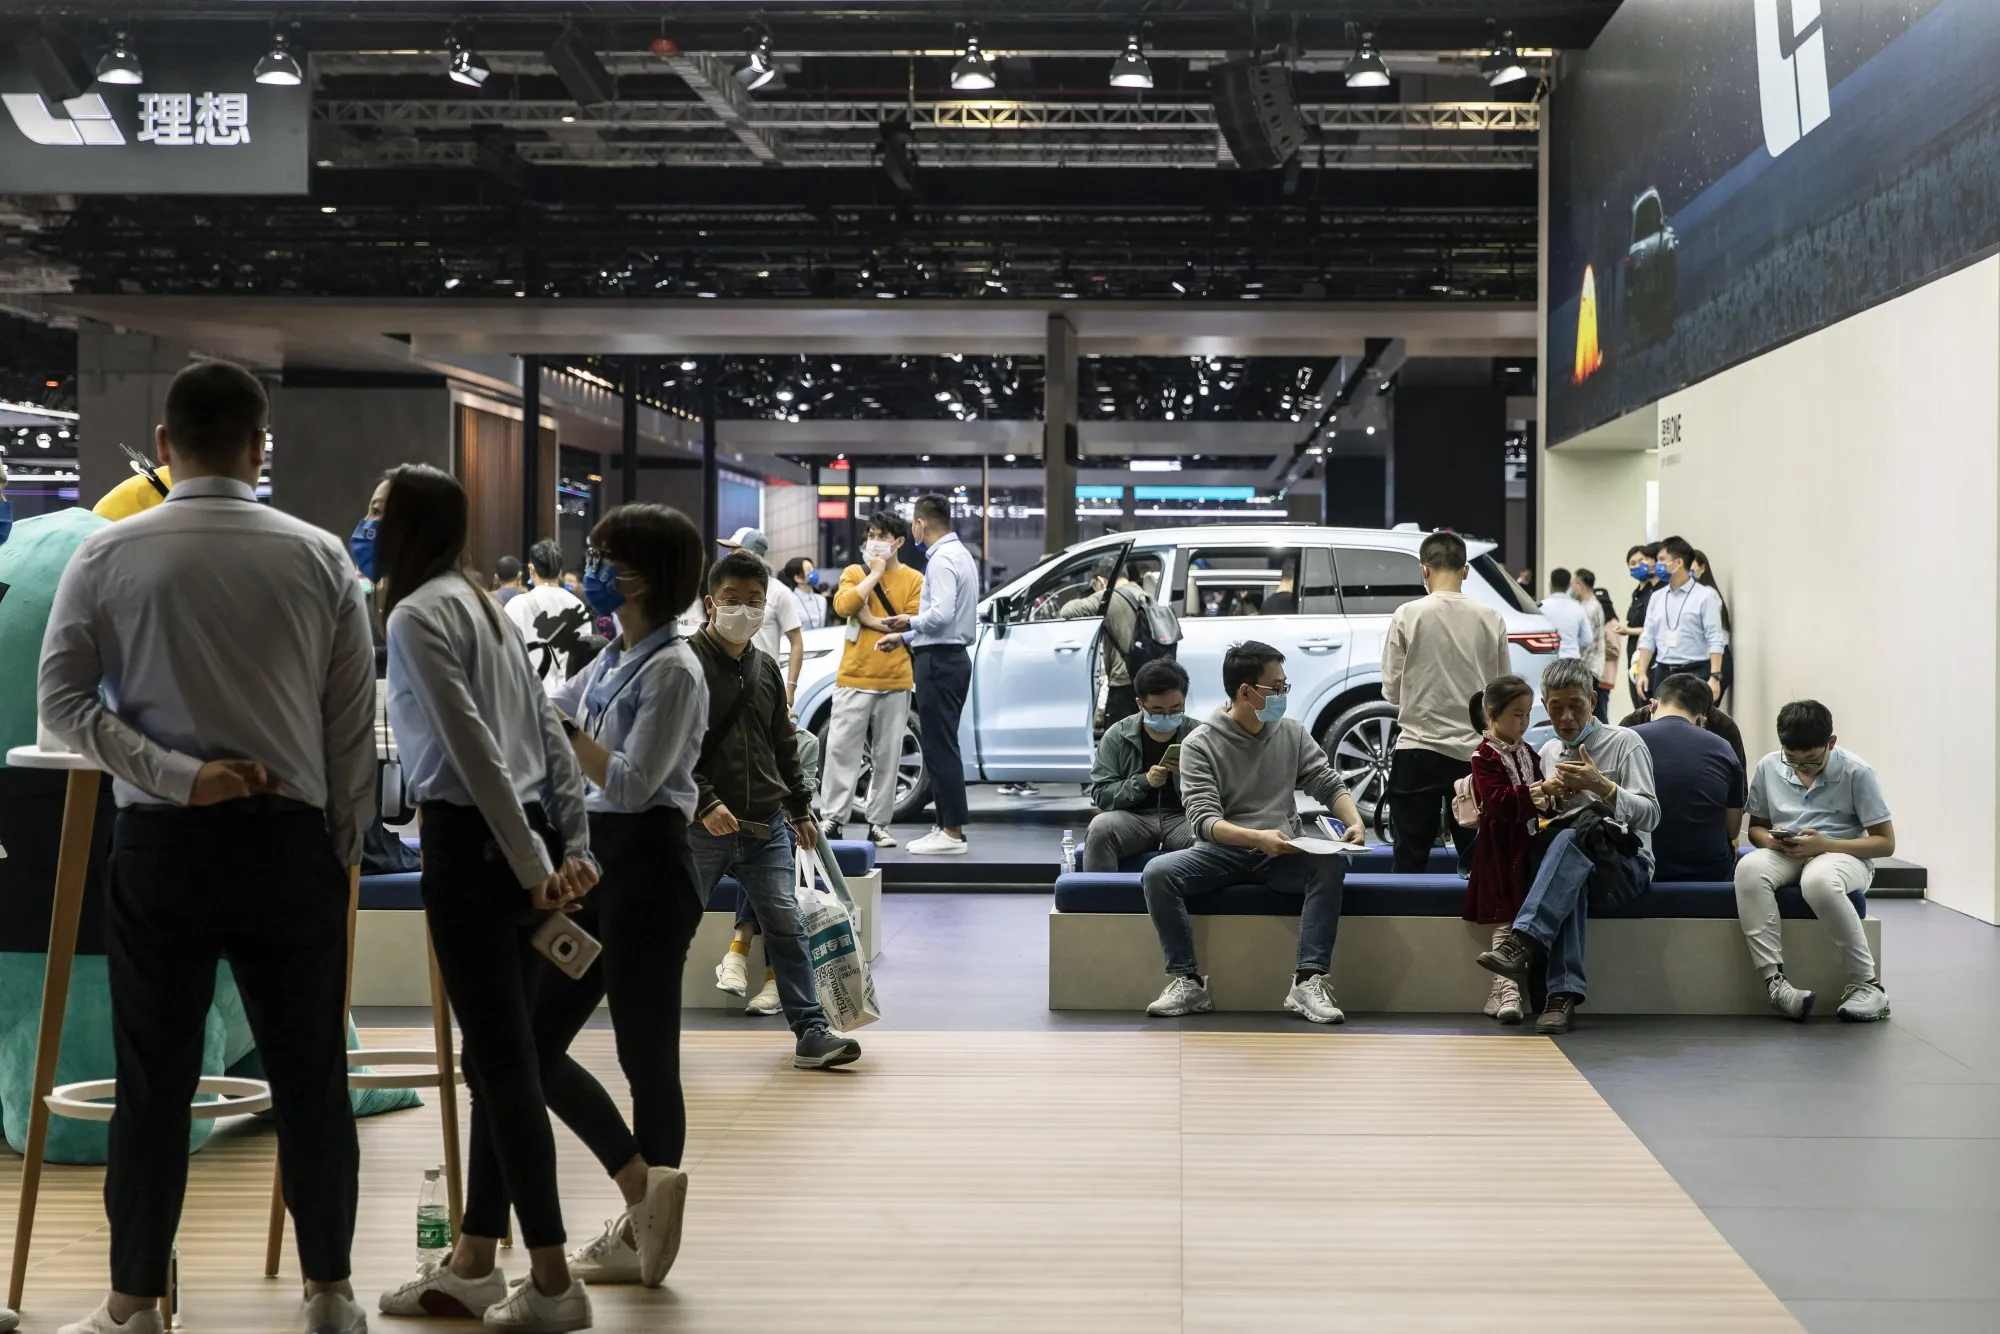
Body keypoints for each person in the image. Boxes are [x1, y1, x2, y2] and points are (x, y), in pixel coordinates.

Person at [38, 362, 375, 1334]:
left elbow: (61, 703)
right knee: (311, 1076)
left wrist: (179, 775)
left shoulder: (106, 555)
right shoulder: (320, 556)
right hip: (291, 845)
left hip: (161, 847)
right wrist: (341, 847)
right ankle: (329, 1296)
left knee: (154, 1082)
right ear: (259, 445)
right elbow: (350, 728)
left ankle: (133, 1302)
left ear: (162, 442)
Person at [375, 464, 600, 1330]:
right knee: (499, 1059)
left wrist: (533, 858)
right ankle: (474, 1257)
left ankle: (551, 1281)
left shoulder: (415, 613)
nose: (369, 525)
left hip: (476, 847)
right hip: (519, 835)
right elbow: (546, 730)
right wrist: (568, 844)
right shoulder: (484, 605)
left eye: (379, 513)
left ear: (407, 526)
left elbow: (472, 749)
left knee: (502, 1066)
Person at [691, 549, 862, 1069]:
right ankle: (649, 1032)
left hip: (766, 825)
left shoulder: (764, 666)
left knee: (787, 925)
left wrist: (800, 809)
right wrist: (706, 801)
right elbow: (669, 750)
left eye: (754, 601)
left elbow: (783, 746)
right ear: (710, 603)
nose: (744, 609)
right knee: (673, 927)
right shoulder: (684, 665)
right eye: (732, 599)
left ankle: (811, 1031)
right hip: (700, 828)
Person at [1139, 641, 1367, 1023]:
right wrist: (1257, 838)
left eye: (1284, 686)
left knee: (1329, 865)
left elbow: (1326, 782)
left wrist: (1354, 821)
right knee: (1157, 873)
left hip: (1283, 851)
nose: (1282, 694)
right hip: (1221, 851)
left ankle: (1308, 981)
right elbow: (1204, 821)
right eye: (1276, 688)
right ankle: (1186, 981)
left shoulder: (1291, 733)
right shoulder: (1199, 744)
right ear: (1245, 691)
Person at [1475, 658, 1660, 1035]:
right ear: (1545, 706)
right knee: (1568, 854)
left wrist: (1601, 786)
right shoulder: (1547, 753)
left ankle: (1522, 942)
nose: (1566, 717)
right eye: (1556, 707)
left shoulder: (1625, 743)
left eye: (1576, 705)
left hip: (1626, 867)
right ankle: (1560, 998)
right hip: (1575, 869)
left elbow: (1651, 816)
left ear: (1592, 701)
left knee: (1571, 841)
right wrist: (1551, 805)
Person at [1736, 700, 1894, 1022]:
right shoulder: (1769, 766)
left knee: (1818, 881)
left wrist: (1826, 845)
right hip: (1787, 852)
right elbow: (1756, 828)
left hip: (1843, 855)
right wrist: (1771, 841)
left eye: (1810, 760)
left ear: (1830, 743)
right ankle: (1775, 985)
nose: (1801, 767)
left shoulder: (1857, 772)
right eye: (1792, 759)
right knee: (1748, 868)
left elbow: (1885, 843)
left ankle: (1869, 986)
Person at [1380, 530, 1510, 874]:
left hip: (1417, 750)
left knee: (1409, 856)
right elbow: (1501, 690)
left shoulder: (1407, 614)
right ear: (1465, 571)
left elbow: (1391, 691)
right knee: (1477, 861)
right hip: (1474, 754)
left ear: (1424, 570)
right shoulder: (1491, 616)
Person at [875, 495, 977, 856]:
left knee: (940, 746)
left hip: (940, 661)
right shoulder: (960, 555)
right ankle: (947, 826)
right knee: (941, 744)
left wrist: (908, 621)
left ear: (920, 524)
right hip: (949, 657)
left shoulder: (942, 560)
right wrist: (904, 637)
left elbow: (941, 615)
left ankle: (951, 832)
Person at [818, 512, 922, 847]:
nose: (873, 542)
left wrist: (870, 619)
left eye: (881, 536)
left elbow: (910, 622)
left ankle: (879, 823)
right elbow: (844, 605)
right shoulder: (855, 572)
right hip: (854, 677)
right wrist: (874, 574)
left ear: (898, 542)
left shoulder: (914, 579)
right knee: (840, 751)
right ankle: (833, 819)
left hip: (895, 679)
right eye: (871, 535)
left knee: (887, 756)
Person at [1462, 676, 1546, 1026]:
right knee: (1504, 916)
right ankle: (1507, 989)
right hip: (1499, 848)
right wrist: (1538, 793)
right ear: (1493, 714)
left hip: (1525, 845)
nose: (1524, 722)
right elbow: (1498, 802)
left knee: (1517, 914)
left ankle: (1500, 992)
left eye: (1527, 714)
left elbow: (1539, 790)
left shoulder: (1526, 752)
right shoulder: (1484, 756)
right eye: (1517, 714)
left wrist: (1552, 795)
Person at [1083, 659, 1196, 872]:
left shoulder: (1199, 734)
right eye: (1158, 711)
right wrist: (1144, 782)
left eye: (1175, 709)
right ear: (1140, 704)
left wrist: (1190, 776)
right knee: (1100, 828)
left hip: (1184, 818)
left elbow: (1225, 791)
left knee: (1212, 835)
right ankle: (1101, 893)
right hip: (1133, 819)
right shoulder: (1118, 735)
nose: (1167, 716)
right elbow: (1101, 794)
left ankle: (1196, 894)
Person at [1631, 674, 1744, 883]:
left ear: (1652, 705)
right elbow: (1733, 829)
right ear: (1702, 720)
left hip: (1639, 867)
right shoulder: (1723, 746)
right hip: (1710, 869)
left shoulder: (1626, 738)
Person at [1631, 535, 1726, 705]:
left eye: (1662, 560)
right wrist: (1642, 672)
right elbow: (1648, 637)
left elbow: (1715, 637)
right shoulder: (1657, 597)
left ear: (1678, 563)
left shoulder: (1704, 596)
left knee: (1695, 718)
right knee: (1661, 718)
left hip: (1695, 671)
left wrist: (1715, 676)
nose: (1657, 565)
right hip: (1663, 671)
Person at [717, 527, 805, 707]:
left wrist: (790, 688)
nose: (728, 556)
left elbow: (796, 641)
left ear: (749, 555)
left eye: (734, 550)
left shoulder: (778, 592)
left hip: (762, 685)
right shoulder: (726, 589)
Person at [1060, 556, 1144, 726]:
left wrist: (1098, 594)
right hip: (1143, 679)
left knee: (1117, 737)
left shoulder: (1108, 597)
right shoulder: (1141, 592)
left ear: (1100, 581)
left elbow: (1066, 610)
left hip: (1122, 682)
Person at [506, 537, 596, 694]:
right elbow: (582, 656)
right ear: (560, 570)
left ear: (531, 568)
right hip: (567, 696)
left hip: (528, 693)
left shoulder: (516, 605)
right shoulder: (577, 605)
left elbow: (507, 654)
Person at [1618, 697, 1747, 771]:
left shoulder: (1723, 727)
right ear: (1653, 706)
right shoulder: (1631, 726)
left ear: (1703, 718)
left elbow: (1739, 796)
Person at [1689, 549, 1733, 707]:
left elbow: (1714, 637)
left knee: (1703, 712)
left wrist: (1714, 675)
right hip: (1705, 660)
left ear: (1702, 568)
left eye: (1690, 565)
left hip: (1714, 661)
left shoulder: (1708, 595)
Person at [1623, 543, 1663, 708]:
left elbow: (1652, 629)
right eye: (1633, 563)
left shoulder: (1657, 592)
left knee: (1650, 705)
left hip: (1652, 658)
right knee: (1639, 706)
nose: (1641, 565)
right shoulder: (1638, 593)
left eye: (1643, 560)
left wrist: (1628, 630)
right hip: (1636, 653)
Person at [1585, 570, 1625, 722]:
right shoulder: (1598, 622)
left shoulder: (1612, 624)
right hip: (1596, 674)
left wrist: (1597, 645)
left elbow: (1614, 650)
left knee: (1600, 714)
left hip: (1604, 677)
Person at [1573, 568, 1610, 720]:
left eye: (1573, 584)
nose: (1571, 589)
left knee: (1593, 712)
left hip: (1589, 666)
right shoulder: (1587, 605)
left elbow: (1588, 642)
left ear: (1580, 585)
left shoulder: (1589, 608)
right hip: (1591, 666)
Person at [1538, 567, 1593, 662]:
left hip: (1548, 659)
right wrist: (1571, 643)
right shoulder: (1578, 608)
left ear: (1550, 585)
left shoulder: (1541, 607)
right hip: (1572, 660)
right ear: (1568, 586)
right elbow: (1587, 639)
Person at [780, 555, 827, 631]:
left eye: (813, 568)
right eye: (809, 570)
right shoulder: (789, 600)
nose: (813, 572)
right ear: (798, 578)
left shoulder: (821, 600)